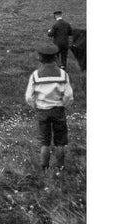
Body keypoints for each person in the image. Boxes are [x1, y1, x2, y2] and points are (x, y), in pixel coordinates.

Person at [24, 44, 74, 177]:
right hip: (58, 109)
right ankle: (61, 167)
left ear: (40, 58)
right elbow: (68, 94)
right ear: (56, 58)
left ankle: (44, 168)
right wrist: (63, 104)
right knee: (60, 141)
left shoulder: (36, 75)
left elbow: (29, 96)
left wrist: (35, 105)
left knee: (44, 142)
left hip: (42, 111)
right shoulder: (63, 74)